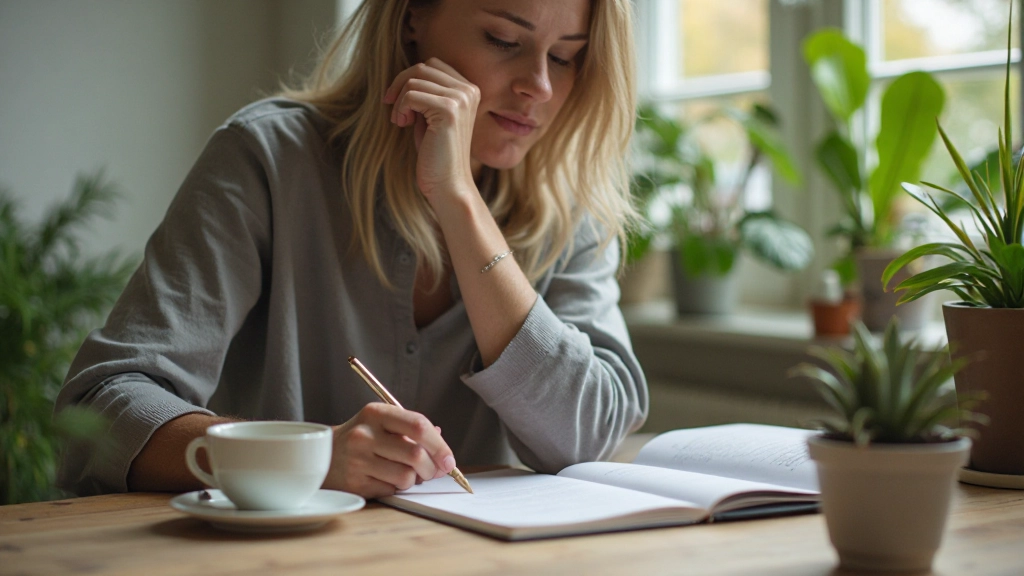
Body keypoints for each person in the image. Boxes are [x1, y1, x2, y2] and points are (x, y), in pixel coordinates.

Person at [55, 0, 648, 499]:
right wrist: (301, 459)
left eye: (566, 55)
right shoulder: (267, 160)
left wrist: (459, 203)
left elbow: (587, 438)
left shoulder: (566, 213)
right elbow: (97, 412)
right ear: (413, 17)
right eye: (502, 39)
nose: (538, 86)